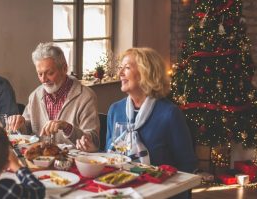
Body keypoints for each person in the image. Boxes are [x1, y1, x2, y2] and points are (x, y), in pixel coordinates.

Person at [76, 47, 196, 175]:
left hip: (157, 188)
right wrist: (94, 151)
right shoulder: (115, 110)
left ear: (146, 73)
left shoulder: (169, 114)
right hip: (120, 183)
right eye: (120, 68)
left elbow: (187, 165)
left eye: (127, 68)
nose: (120, 73)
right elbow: (111, 157)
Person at [7, 42, 100, 147]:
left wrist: (66, 127)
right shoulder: (35, 96)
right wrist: (20, 123)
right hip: (40, 159)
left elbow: (94, 141)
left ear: (64, 69)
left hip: (72, 160)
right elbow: (27, 129)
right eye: (40, 74)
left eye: (50, 73)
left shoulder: (86, 97)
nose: (44, 79)